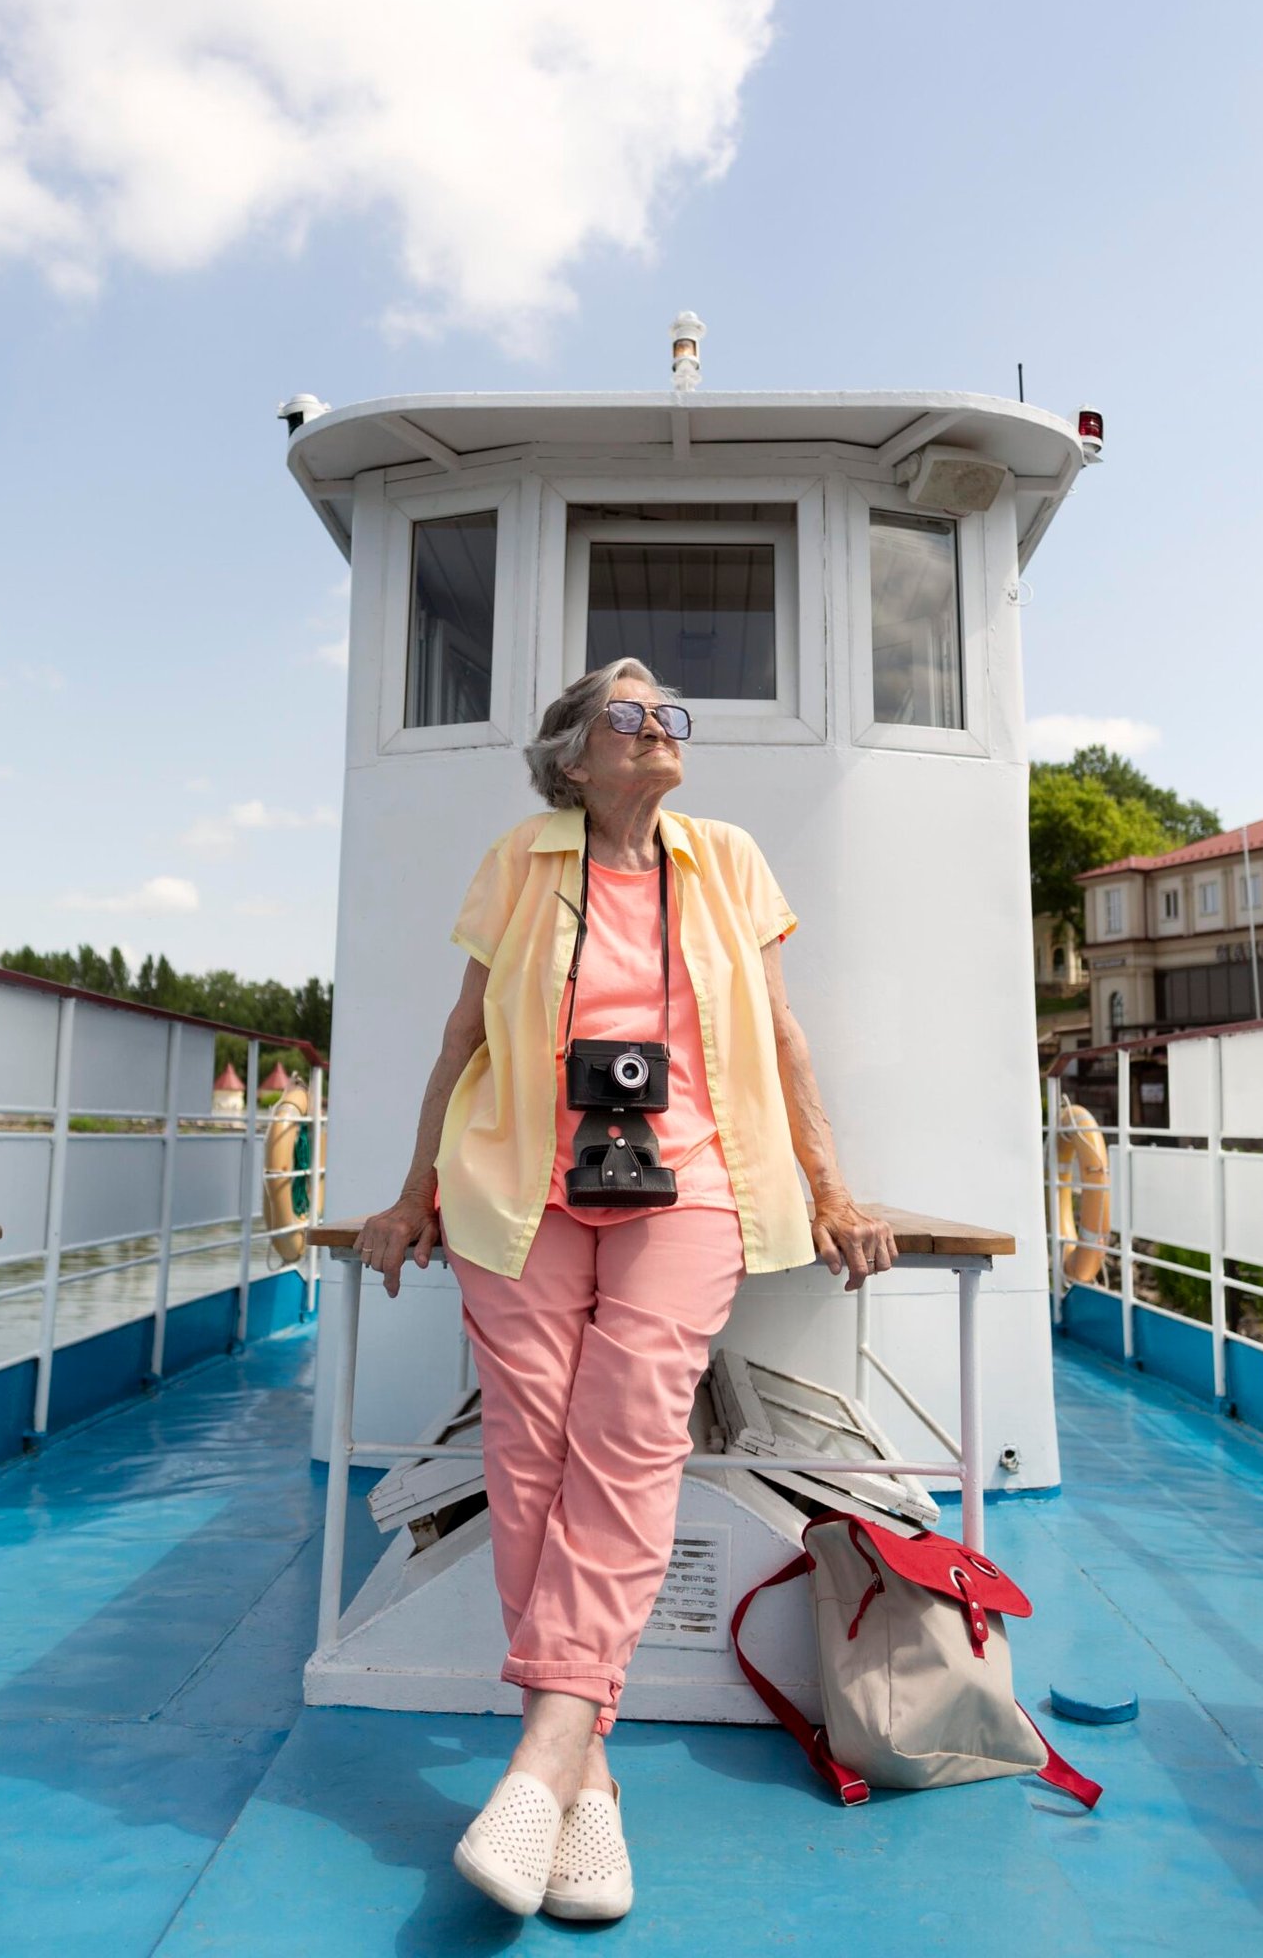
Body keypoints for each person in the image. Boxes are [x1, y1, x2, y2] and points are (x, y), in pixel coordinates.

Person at [355, 658, 897, 1921]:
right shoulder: (520, 859)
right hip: (516, 1180)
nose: (655, 729)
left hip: (691, 1179)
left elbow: (780, 1034)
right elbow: (462, 1038)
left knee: (633, 1430)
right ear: (572, 758)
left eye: (670, 714)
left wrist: (830, 1186)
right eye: (626, 714)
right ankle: (584, 1778)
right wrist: (408, 1189)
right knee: (530, 1445)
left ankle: (538, 1753)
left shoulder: (725, 857)